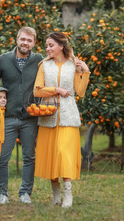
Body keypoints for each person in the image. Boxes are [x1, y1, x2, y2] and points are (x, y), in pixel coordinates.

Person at [0, 27, 43, 204]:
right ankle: (2, 194)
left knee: (29, 157)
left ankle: (25, 193)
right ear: (17, 39)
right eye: (23, 39)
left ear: (34, 43)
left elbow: (49, 79)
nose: (25, 43)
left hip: (30, 118)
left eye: (29, 40)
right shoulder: (4, 60)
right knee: (2, 157)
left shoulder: (39, 60)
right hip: (7, 117)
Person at [33, 32, 90, 208]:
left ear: (61, 46)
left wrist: (86, 72)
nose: (47, 48)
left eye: (51, 45)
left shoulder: (74, 65)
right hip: (48, 117)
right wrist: (56, 90)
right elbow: (37, 91)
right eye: (47, 45)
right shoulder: (43, 65)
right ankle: (56, 194)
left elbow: (79, 91)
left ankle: (68, 194)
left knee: (64, 155)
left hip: (68, 116)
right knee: (51, 156)